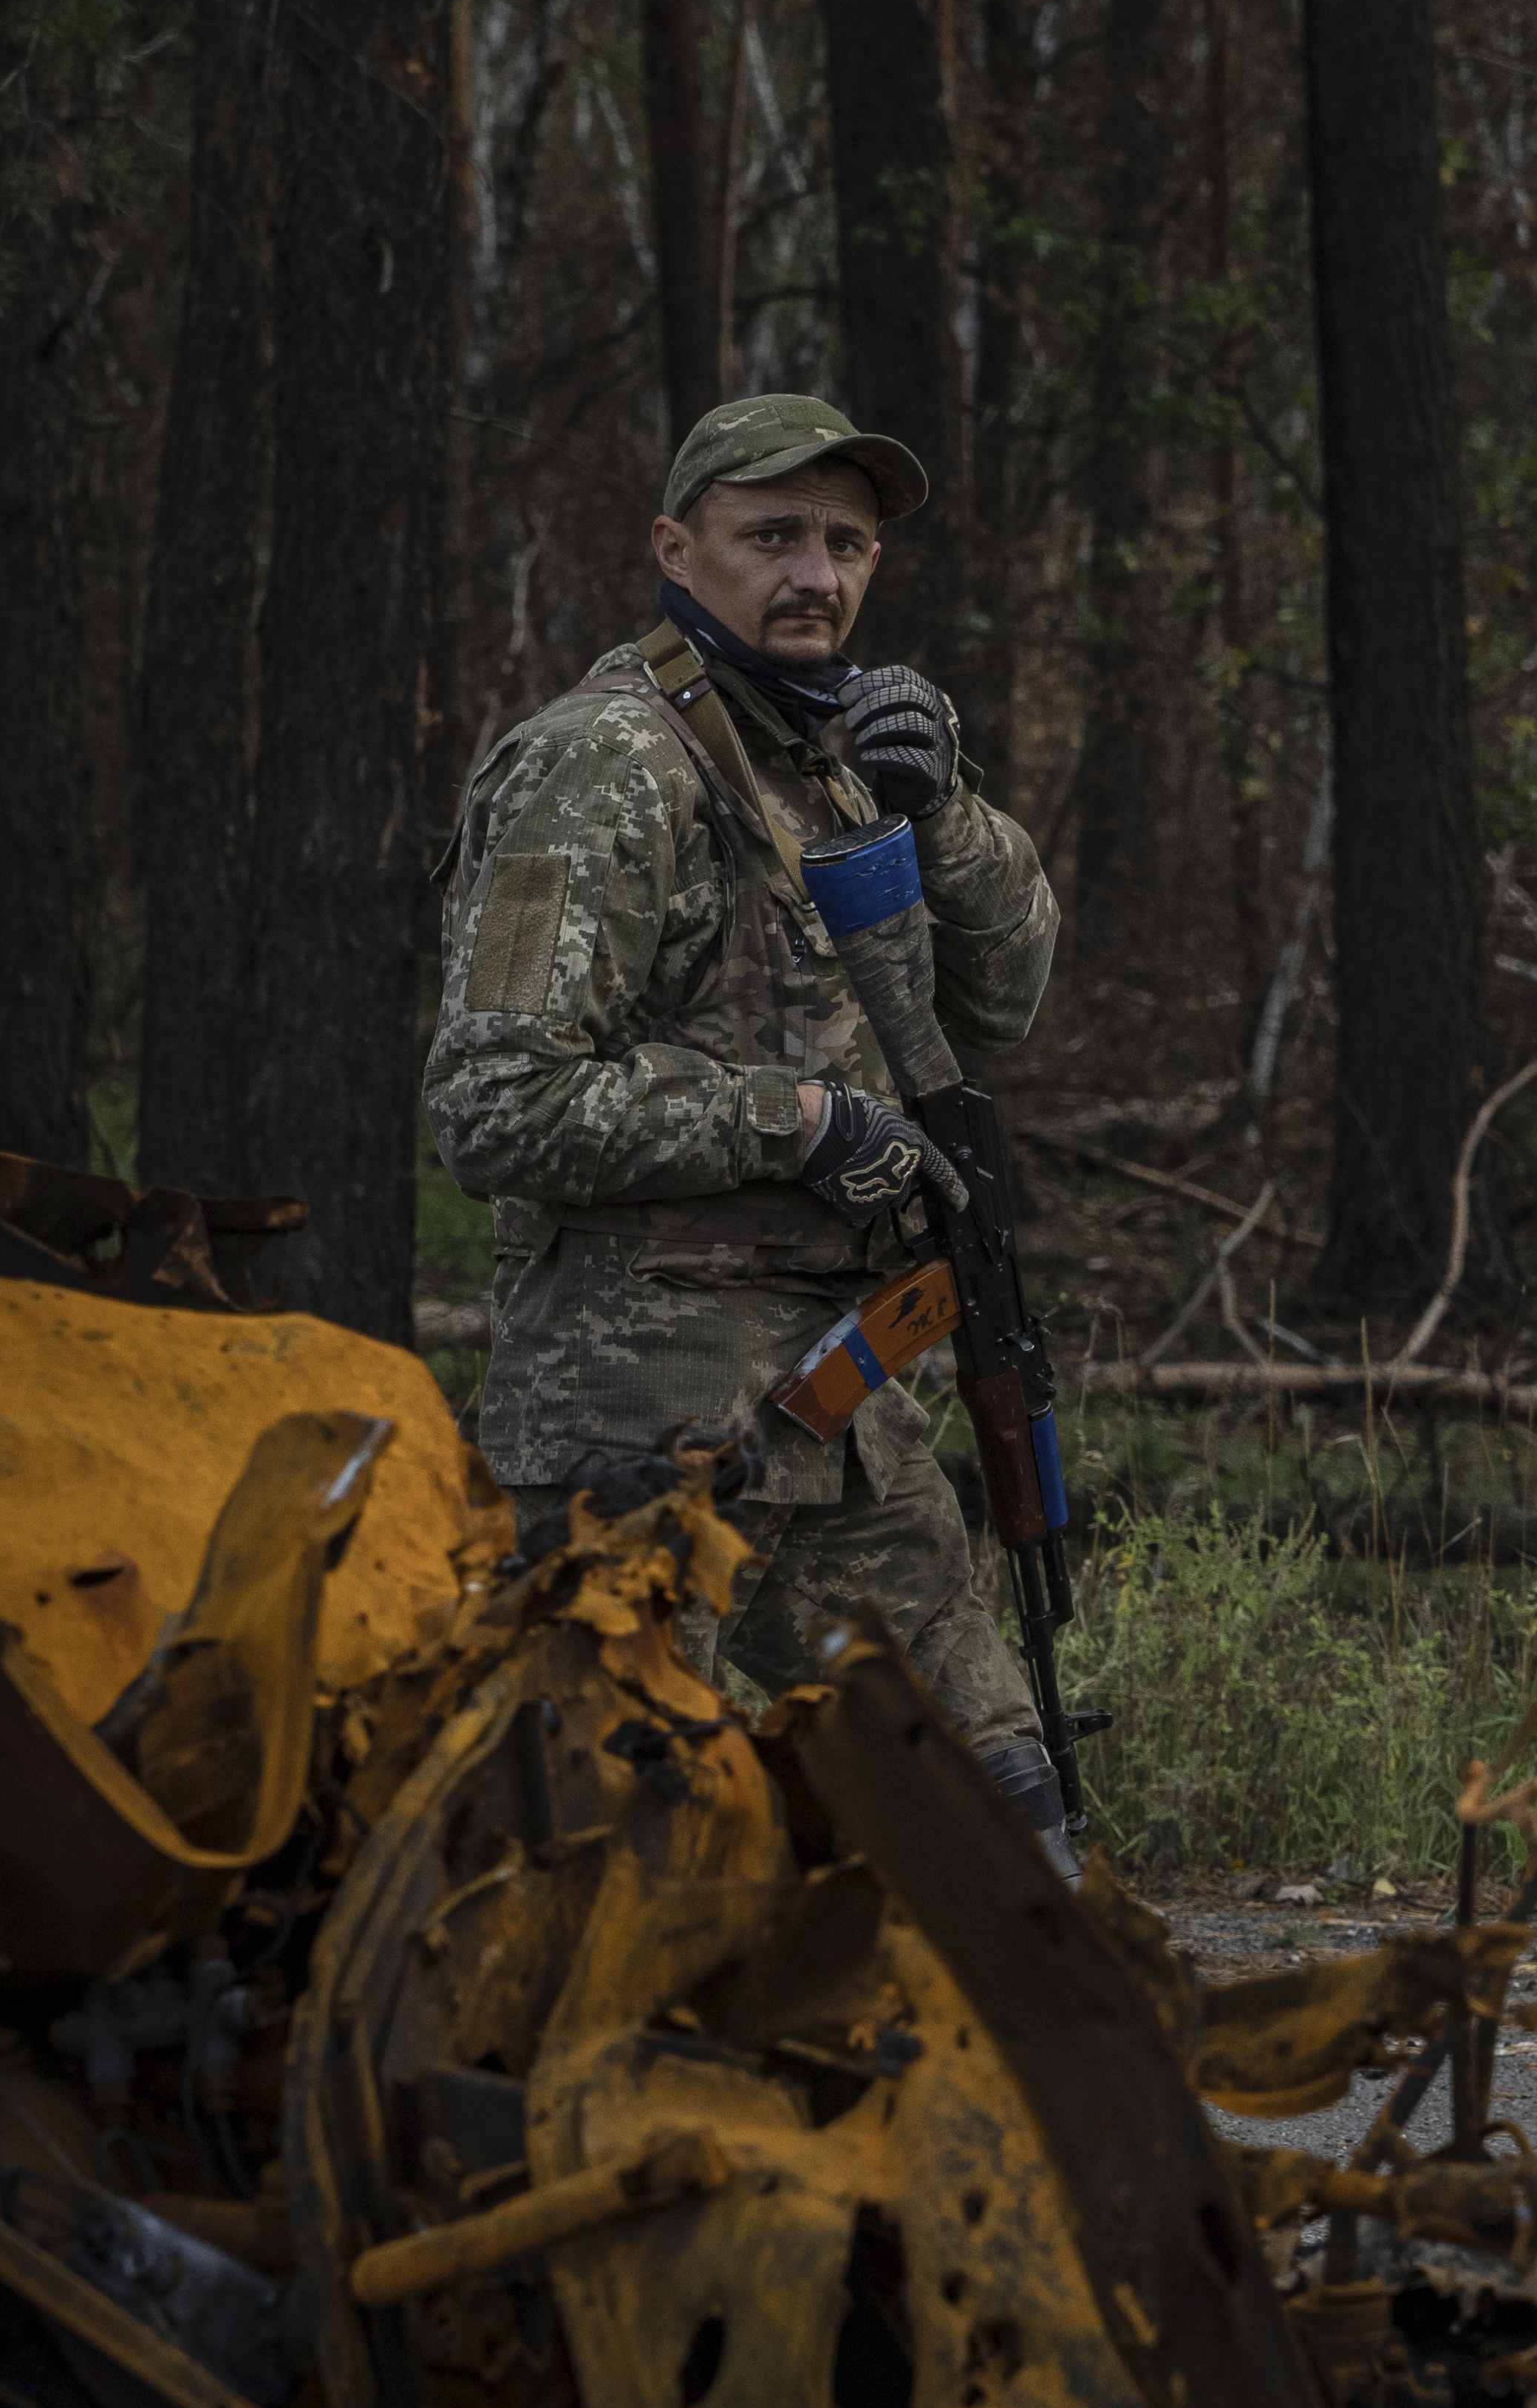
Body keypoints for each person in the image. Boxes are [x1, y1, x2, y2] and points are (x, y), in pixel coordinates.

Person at [424, 393, 1073, 1870]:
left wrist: (945, 805)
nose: (817, 574)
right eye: (770, 534)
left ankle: (998, 2099)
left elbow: (1006, 998)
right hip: (633, 1412)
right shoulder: (603, 764)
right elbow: (491, 1101)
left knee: (998, 1801)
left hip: (832, 1406)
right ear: (676, 546)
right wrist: (792, 1119)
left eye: (846, 543)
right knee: (611, 1857)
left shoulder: (833, 755)